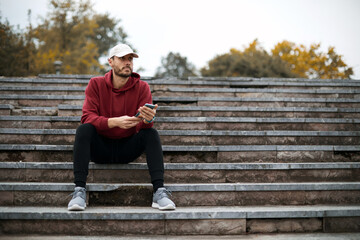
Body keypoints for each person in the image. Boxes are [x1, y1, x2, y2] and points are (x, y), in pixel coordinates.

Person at [67, 43, 176, 211]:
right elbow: (86, 116)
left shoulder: (142, 87)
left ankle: (159, 192)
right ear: (111, 62)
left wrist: (147, 119)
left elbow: (146, 126)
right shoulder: (95, 84)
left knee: (151, 133)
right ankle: (79, 191)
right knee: (84, 129)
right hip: (100, 148)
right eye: (123, 58)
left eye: (130, 59)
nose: (128, 63)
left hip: (127, 148)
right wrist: (114, 121)